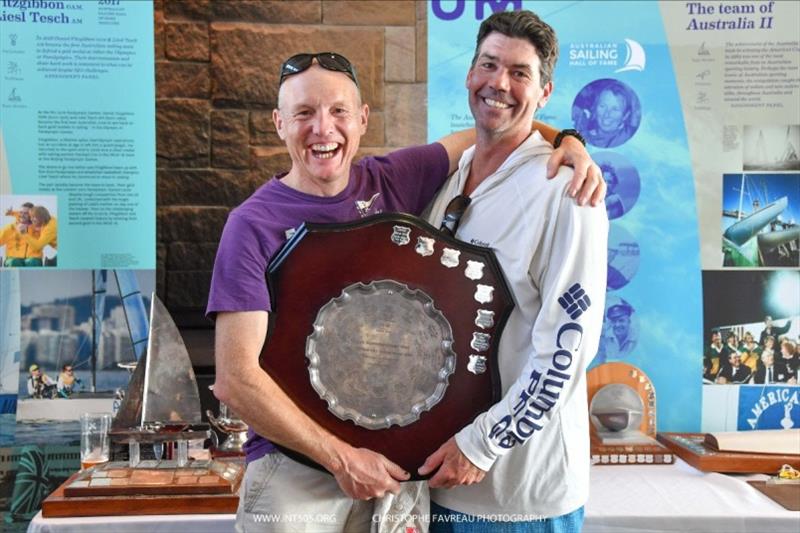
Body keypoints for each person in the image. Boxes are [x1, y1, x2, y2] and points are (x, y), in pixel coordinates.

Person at [207, 50, 605, 531]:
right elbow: (235, 379)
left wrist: (571, 142)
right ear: (279, 123)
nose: (323, 129)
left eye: (338, 112)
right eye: (304, 114)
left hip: (397, 476)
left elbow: (498, 125)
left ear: (363, 119)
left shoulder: (395, 178)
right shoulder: (251, 225)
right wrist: (340, 459)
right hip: (298, 473)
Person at [421, 11, 607, 530]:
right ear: (469, 74)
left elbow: (567, 349)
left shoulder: (567, 191)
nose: (499, 83)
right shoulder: (449, 181)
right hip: (437, 482)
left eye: (520, 73)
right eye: (489, 65)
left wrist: (481, 445)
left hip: (519, 499)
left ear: (544, 92)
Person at [0, 202, 43, 267]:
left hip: (33, 259)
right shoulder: (10, 228)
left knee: (32, 262)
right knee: (14, 262)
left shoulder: (38, 228)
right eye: (20, 212)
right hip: (13, 259)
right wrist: (13, 213)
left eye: (26, 213)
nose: (22, 215)